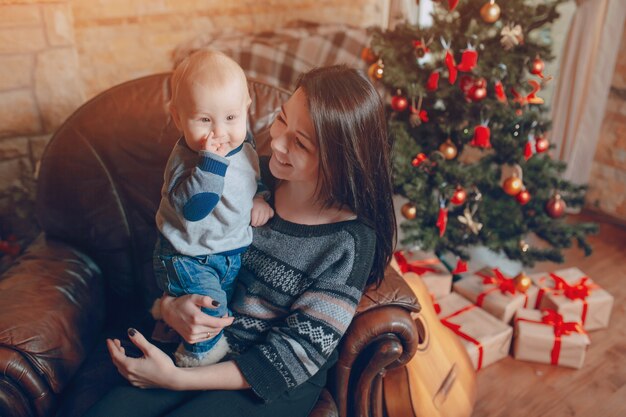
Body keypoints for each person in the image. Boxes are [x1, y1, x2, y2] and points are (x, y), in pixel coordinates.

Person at [85, 64, 396, 417]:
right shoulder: (245, 173)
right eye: (281, 120)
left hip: (266, 381)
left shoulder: (349, 243)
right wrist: (171, 307)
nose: (276, 142)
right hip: (201, 346)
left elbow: (293, 356)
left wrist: (174, 379)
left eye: (300, 142)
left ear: (340, 160)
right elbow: (179, 249)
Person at [153, 48, 274, 367]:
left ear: (247, 108)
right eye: (204, 120)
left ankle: (168, 331)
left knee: (219, 304)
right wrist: (211, 165)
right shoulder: (188, 161)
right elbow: (195, 208)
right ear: (178, 116)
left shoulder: (245, 144)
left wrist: (259, 197)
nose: (219, 133)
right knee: (211, 307)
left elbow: (250, 179)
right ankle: (196, 359)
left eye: (231, 118)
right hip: (187, 256)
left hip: (229, 254)